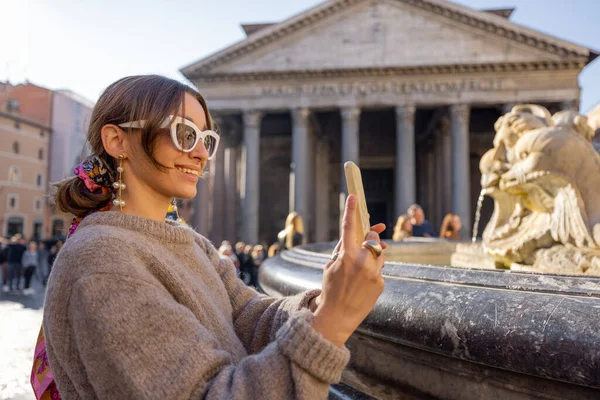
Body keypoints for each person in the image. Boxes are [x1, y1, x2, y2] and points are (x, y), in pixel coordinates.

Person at [32, 75, 387, 400]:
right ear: (116, 140)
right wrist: (331, 322)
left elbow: (250, 317)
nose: (201, 153)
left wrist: (330, 294)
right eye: (183, 133)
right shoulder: (102, 260)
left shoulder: (189, 242)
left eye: (206, 139)